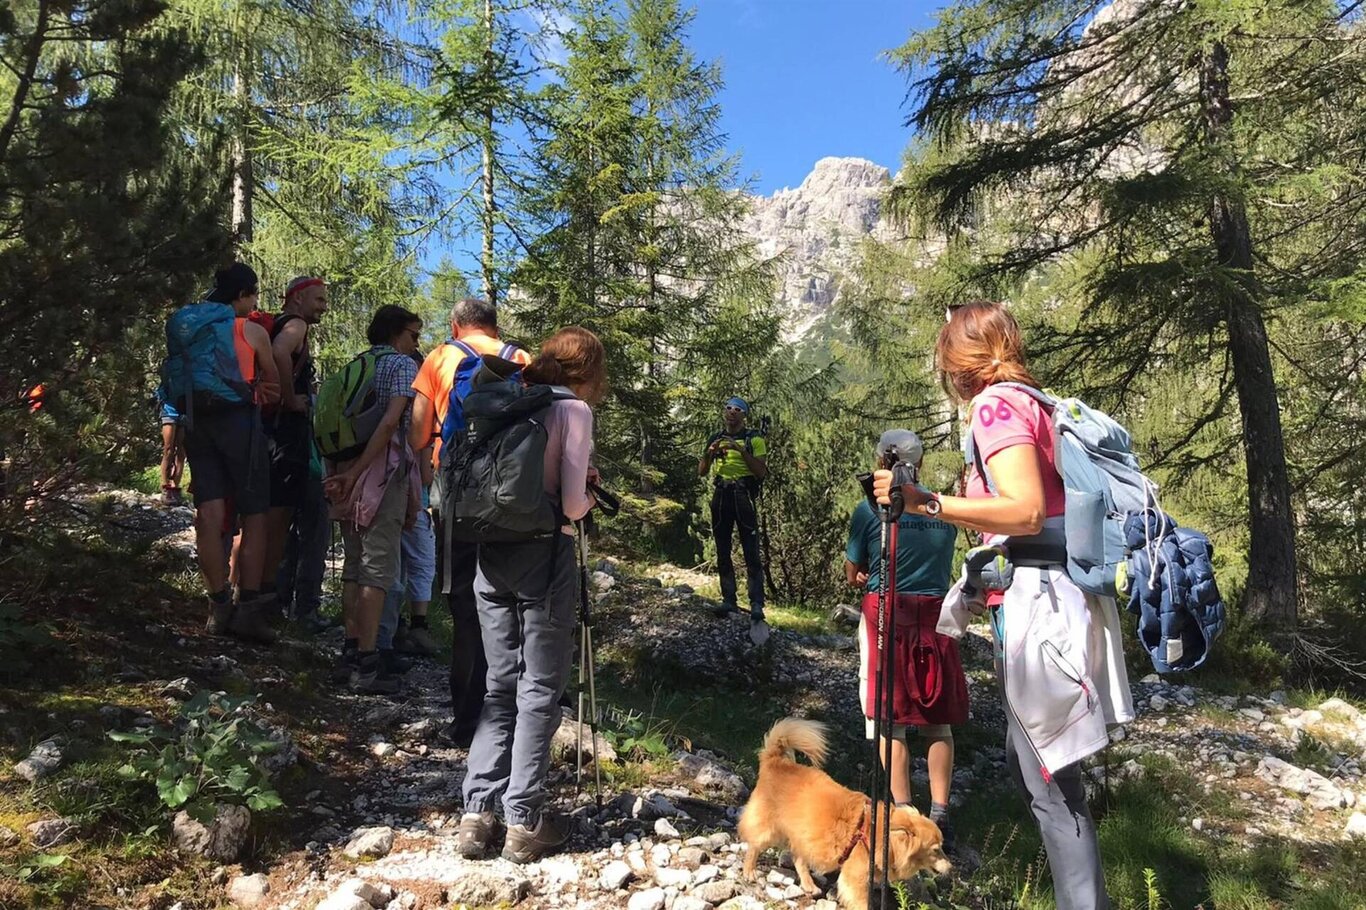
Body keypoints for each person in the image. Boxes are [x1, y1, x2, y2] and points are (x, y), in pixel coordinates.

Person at [873, 301, 1133, 910]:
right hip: (1065, 598)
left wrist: (923, 501)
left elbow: (1025, 511)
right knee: (1033, 764)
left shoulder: (995, 405)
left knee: (1047, 777)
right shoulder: (1036, 403)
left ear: (959, 363)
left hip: (1042, 606)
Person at [457, 326, 604, 865]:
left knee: (500, 684)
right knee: (540, 686)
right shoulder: (573, 411)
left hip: (490, 550)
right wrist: (588, 486)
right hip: (544, 555)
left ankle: (477, 813)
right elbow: (570, 505)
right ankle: (523, 819)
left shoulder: (511, 398)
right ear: (586, 371)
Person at [409, 297, 530, 745]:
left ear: (456, 325)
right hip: (513, 500)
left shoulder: (441, 357)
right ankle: (513, 719)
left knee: (465, 607)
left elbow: (418, 432)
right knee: (513, 603)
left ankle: (466, 722)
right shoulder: (520, 358)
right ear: (494, 327)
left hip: (458, 500)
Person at [846, 429, 967, 851]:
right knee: (938, 718)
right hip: (936, 612)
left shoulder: (870, 510)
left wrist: (864, 575)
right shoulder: (939, 507)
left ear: (882, 460)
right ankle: (940, 812)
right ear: (921, 460)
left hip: (887, 612)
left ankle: (903, 811)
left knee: (888, 718)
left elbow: (853, 570)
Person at [173, 263, 281, 642]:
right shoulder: (250, 330)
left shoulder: (190, 329)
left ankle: (217, 605)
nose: (253, 303)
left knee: (209, 511)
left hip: (195, 421)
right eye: (252, 296)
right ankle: (248, 609)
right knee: (254, 514)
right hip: (239, 424)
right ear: (242, 295)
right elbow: (273, 384)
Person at [325, 305, 423, 695]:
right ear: (397, 333)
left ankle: (350, 652)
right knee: (377, 569)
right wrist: (361, 470)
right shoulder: (401, 367)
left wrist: (342, 472)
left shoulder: (355, 365)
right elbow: (391, 423)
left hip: (344, 469)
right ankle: (367, 664)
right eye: (414, 335)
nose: (417, 343)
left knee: (353, 564)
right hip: (379, 473)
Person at [263, 276, 328, 614]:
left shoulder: (275, 323)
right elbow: (278, 353)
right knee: (288, 516)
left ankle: (265, 596)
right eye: (318, 300)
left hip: (269, 432)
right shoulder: (296, 325)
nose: (324, 307)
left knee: (274, 516)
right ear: (298, 298)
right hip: (286, 434)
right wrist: (289, 399)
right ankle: (279, 602)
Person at [378, 351, 439, 669]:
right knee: (421, 563)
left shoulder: (384, 399)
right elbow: (426, 473)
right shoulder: (419, 410)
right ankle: (415, 626)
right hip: (412, 496)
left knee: (391, 566)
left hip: (379, 490)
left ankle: (388, 631)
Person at [698, 397, 768, 624]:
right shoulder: (715, 438)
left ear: (744, 415)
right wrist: (710, 453)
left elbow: (761, 471)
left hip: (743, 493)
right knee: (722, 547)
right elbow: (702, 470)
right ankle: (729, 598)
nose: (731, 413)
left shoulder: (754, 439)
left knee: (750, 549)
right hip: (721, 493)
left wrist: (739, 449)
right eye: (728, 408)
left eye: (737, 410)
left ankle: (756, 602)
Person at [157, 395, 186, 506]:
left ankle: (175, 487)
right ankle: (165, 486)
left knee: (181, 451)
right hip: (169, 409)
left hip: (186, 409)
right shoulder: (167, 376)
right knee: (168, 449)